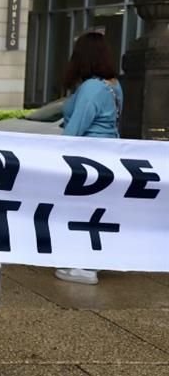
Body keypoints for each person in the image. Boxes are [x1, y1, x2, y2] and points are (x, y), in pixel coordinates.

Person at [54, 31, 123, 286]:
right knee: (96, 211)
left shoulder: (91, 88)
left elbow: (75, 129)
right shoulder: (114, 85)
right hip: (108, 158)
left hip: (86, 160)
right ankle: (88, 261)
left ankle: (84, 266)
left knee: (81, 209)